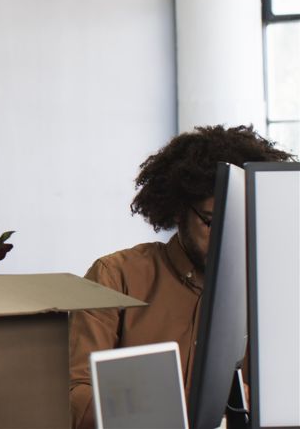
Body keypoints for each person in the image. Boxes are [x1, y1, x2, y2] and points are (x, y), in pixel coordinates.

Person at [68, 125, 293, 429]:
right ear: (178, 211)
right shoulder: (116, 276)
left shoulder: (275, 289)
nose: (228, 238)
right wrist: (184, 405)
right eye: (211, 223)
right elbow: (76, 398)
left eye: (243, 223)